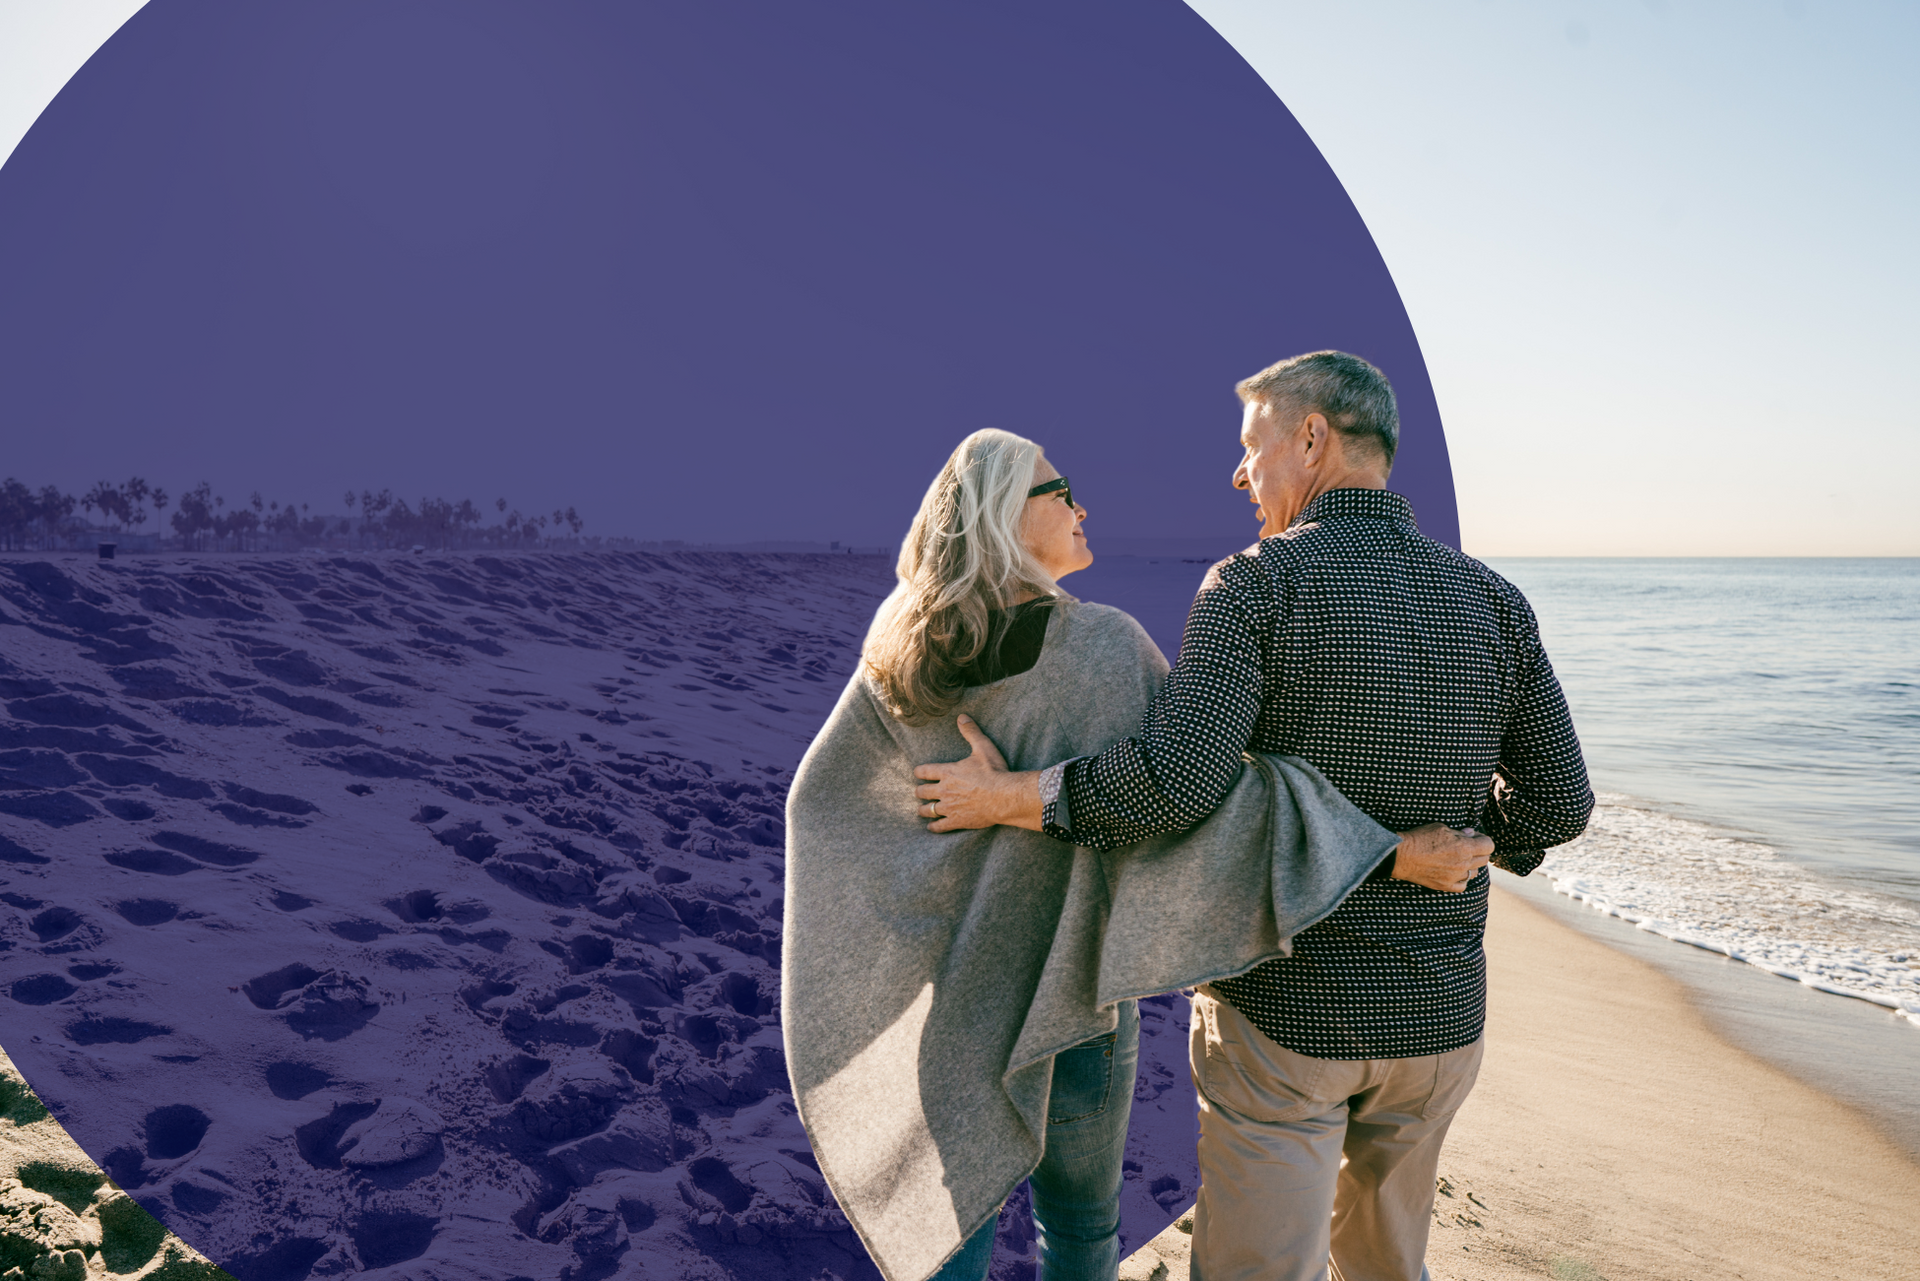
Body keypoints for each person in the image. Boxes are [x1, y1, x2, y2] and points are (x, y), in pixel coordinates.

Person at [912, 352, 1594, 1281]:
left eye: (1251, 444)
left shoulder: (1257, 585)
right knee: (1390, 1267)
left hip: (1288, 1012)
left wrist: (1014, 796)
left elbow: (1175, 785)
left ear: (1311, 438)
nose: (1240, 473)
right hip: (1439, 1014)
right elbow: (1561, 801)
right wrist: (1476, 845)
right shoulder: (1493, 601)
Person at [783, 427, 1491, 1281]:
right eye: (1060, 490)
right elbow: (1213, 800)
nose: (1082, 506)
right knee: (1081, 1232)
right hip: (1076, 995)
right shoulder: (1105, 648)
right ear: (1007, 515)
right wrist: (1388, 854)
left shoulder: (900, 648)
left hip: (955, 999)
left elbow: (821, 806)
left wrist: (934, 883)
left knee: (949, 1234)